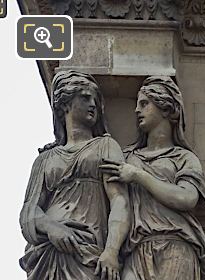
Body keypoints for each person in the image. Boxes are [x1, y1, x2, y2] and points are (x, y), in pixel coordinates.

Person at [19, 70, 130, 280]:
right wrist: (51, 228)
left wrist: (111, 251)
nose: (93, 104)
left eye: (95, 99)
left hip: (87, 250)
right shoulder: (45, 159)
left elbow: (119, 200)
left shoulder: (104, 146)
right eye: (85, 97)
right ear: (64, 105)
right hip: (48, 252)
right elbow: (29, 211)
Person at [100, 76, 205, 280]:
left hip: (175, 247)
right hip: (136, 250)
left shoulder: (183, 157)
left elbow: (187, 198)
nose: (136, 110)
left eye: (144, 104)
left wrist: (138, 176)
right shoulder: (127, 158)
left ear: (166, 108)